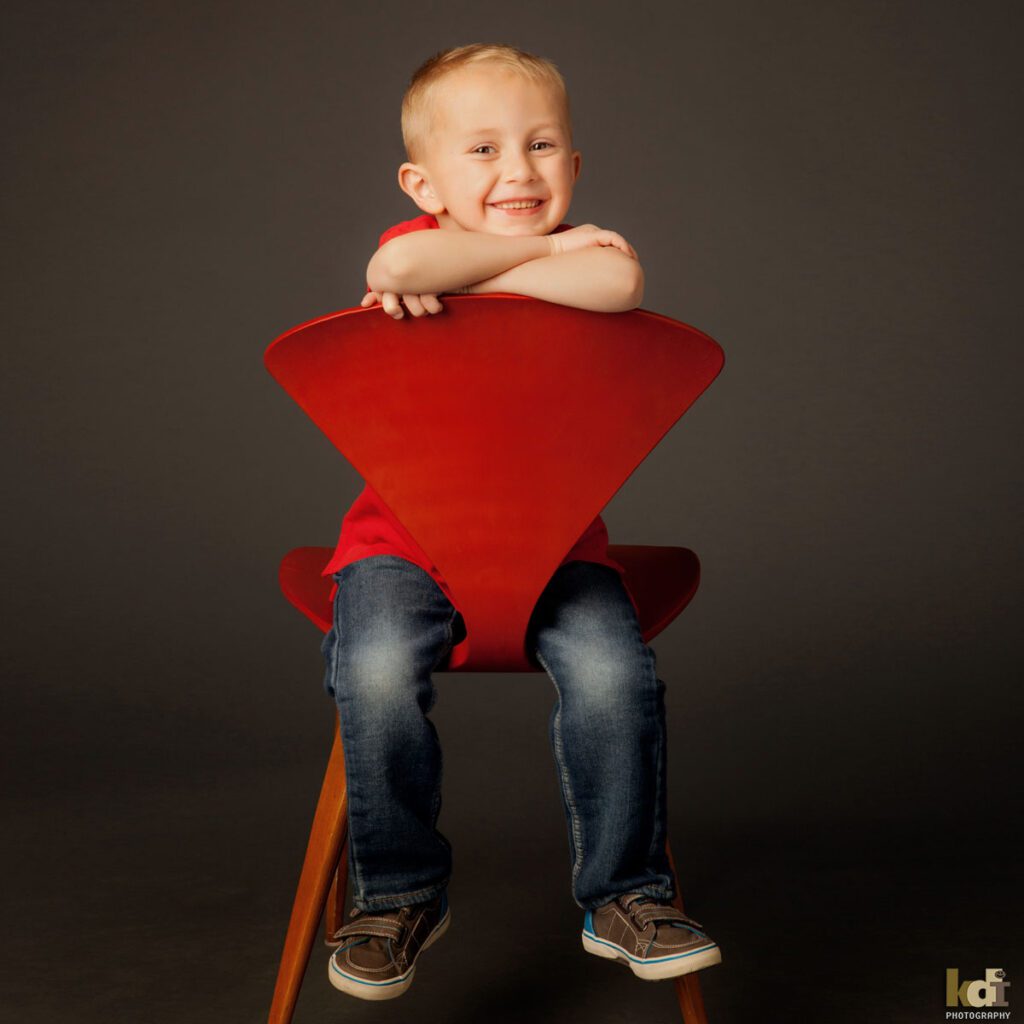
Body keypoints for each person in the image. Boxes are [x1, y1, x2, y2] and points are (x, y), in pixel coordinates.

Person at [319, 43, 721, 1001]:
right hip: (402, 546)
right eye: (484, 150)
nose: (518, 171)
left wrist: (517, 264)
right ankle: (400, 891)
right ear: (424, 181)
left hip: (554, 550)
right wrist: (543, 254)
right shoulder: (431, 243)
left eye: (542, 146)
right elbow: (400, 260)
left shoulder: (597, 251)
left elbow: (617, 287)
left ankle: (627, 892)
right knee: (373, 671)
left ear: (574, 167)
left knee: (616, 674)